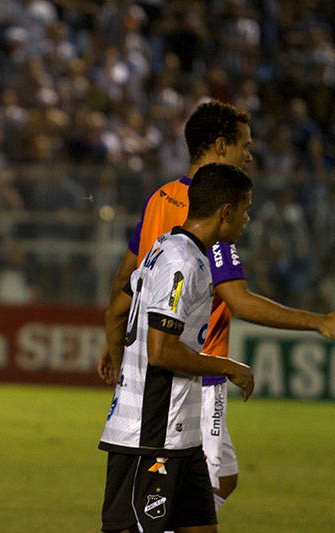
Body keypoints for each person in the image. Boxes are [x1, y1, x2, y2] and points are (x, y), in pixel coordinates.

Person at [98, 100, 335, 517]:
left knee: (216, 482)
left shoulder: (159, 199)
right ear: (221, 146)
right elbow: (239, 300)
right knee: (195, 486)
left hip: (151, 381)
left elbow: (125, 281)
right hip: (194, 376)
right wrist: (319, 322)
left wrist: (117, 339)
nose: (249, 155)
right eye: (245, 145)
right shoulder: (214, 214)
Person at [100, 163, 256, 533]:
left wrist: (125, 374)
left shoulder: (165, 248)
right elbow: (161, 351)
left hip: (182, 435)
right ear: (226, 212)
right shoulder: (181, 263)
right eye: (246, 209)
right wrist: (228, 367)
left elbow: (116, 311)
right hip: (152, 434)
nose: (248, 219)